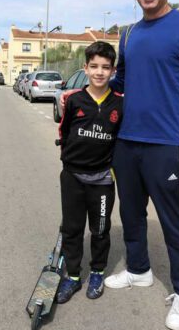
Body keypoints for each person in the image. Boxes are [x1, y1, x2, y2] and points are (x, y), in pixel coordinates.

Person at [103, 0, 179, 330]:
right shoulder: (129, 34)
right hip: (127, 143)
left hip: (167, 144)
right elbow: (119, 84)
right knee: (131, 214)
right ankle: (138, 269)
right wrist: (85, 93)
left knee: (174, 222)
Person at [55, 41, 123, 304]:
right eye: (94, 66)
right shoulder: (73, 100)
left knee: (100, 230)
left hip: (103, 180)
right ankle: (72, 276)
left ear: (113, 71)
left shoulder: (119, 104)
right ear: (85, 67)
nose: (99, 72)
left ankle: (97, 271)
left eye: (105, 67)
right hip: (72, 177)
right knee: (72, 228)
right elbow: (64, 131)